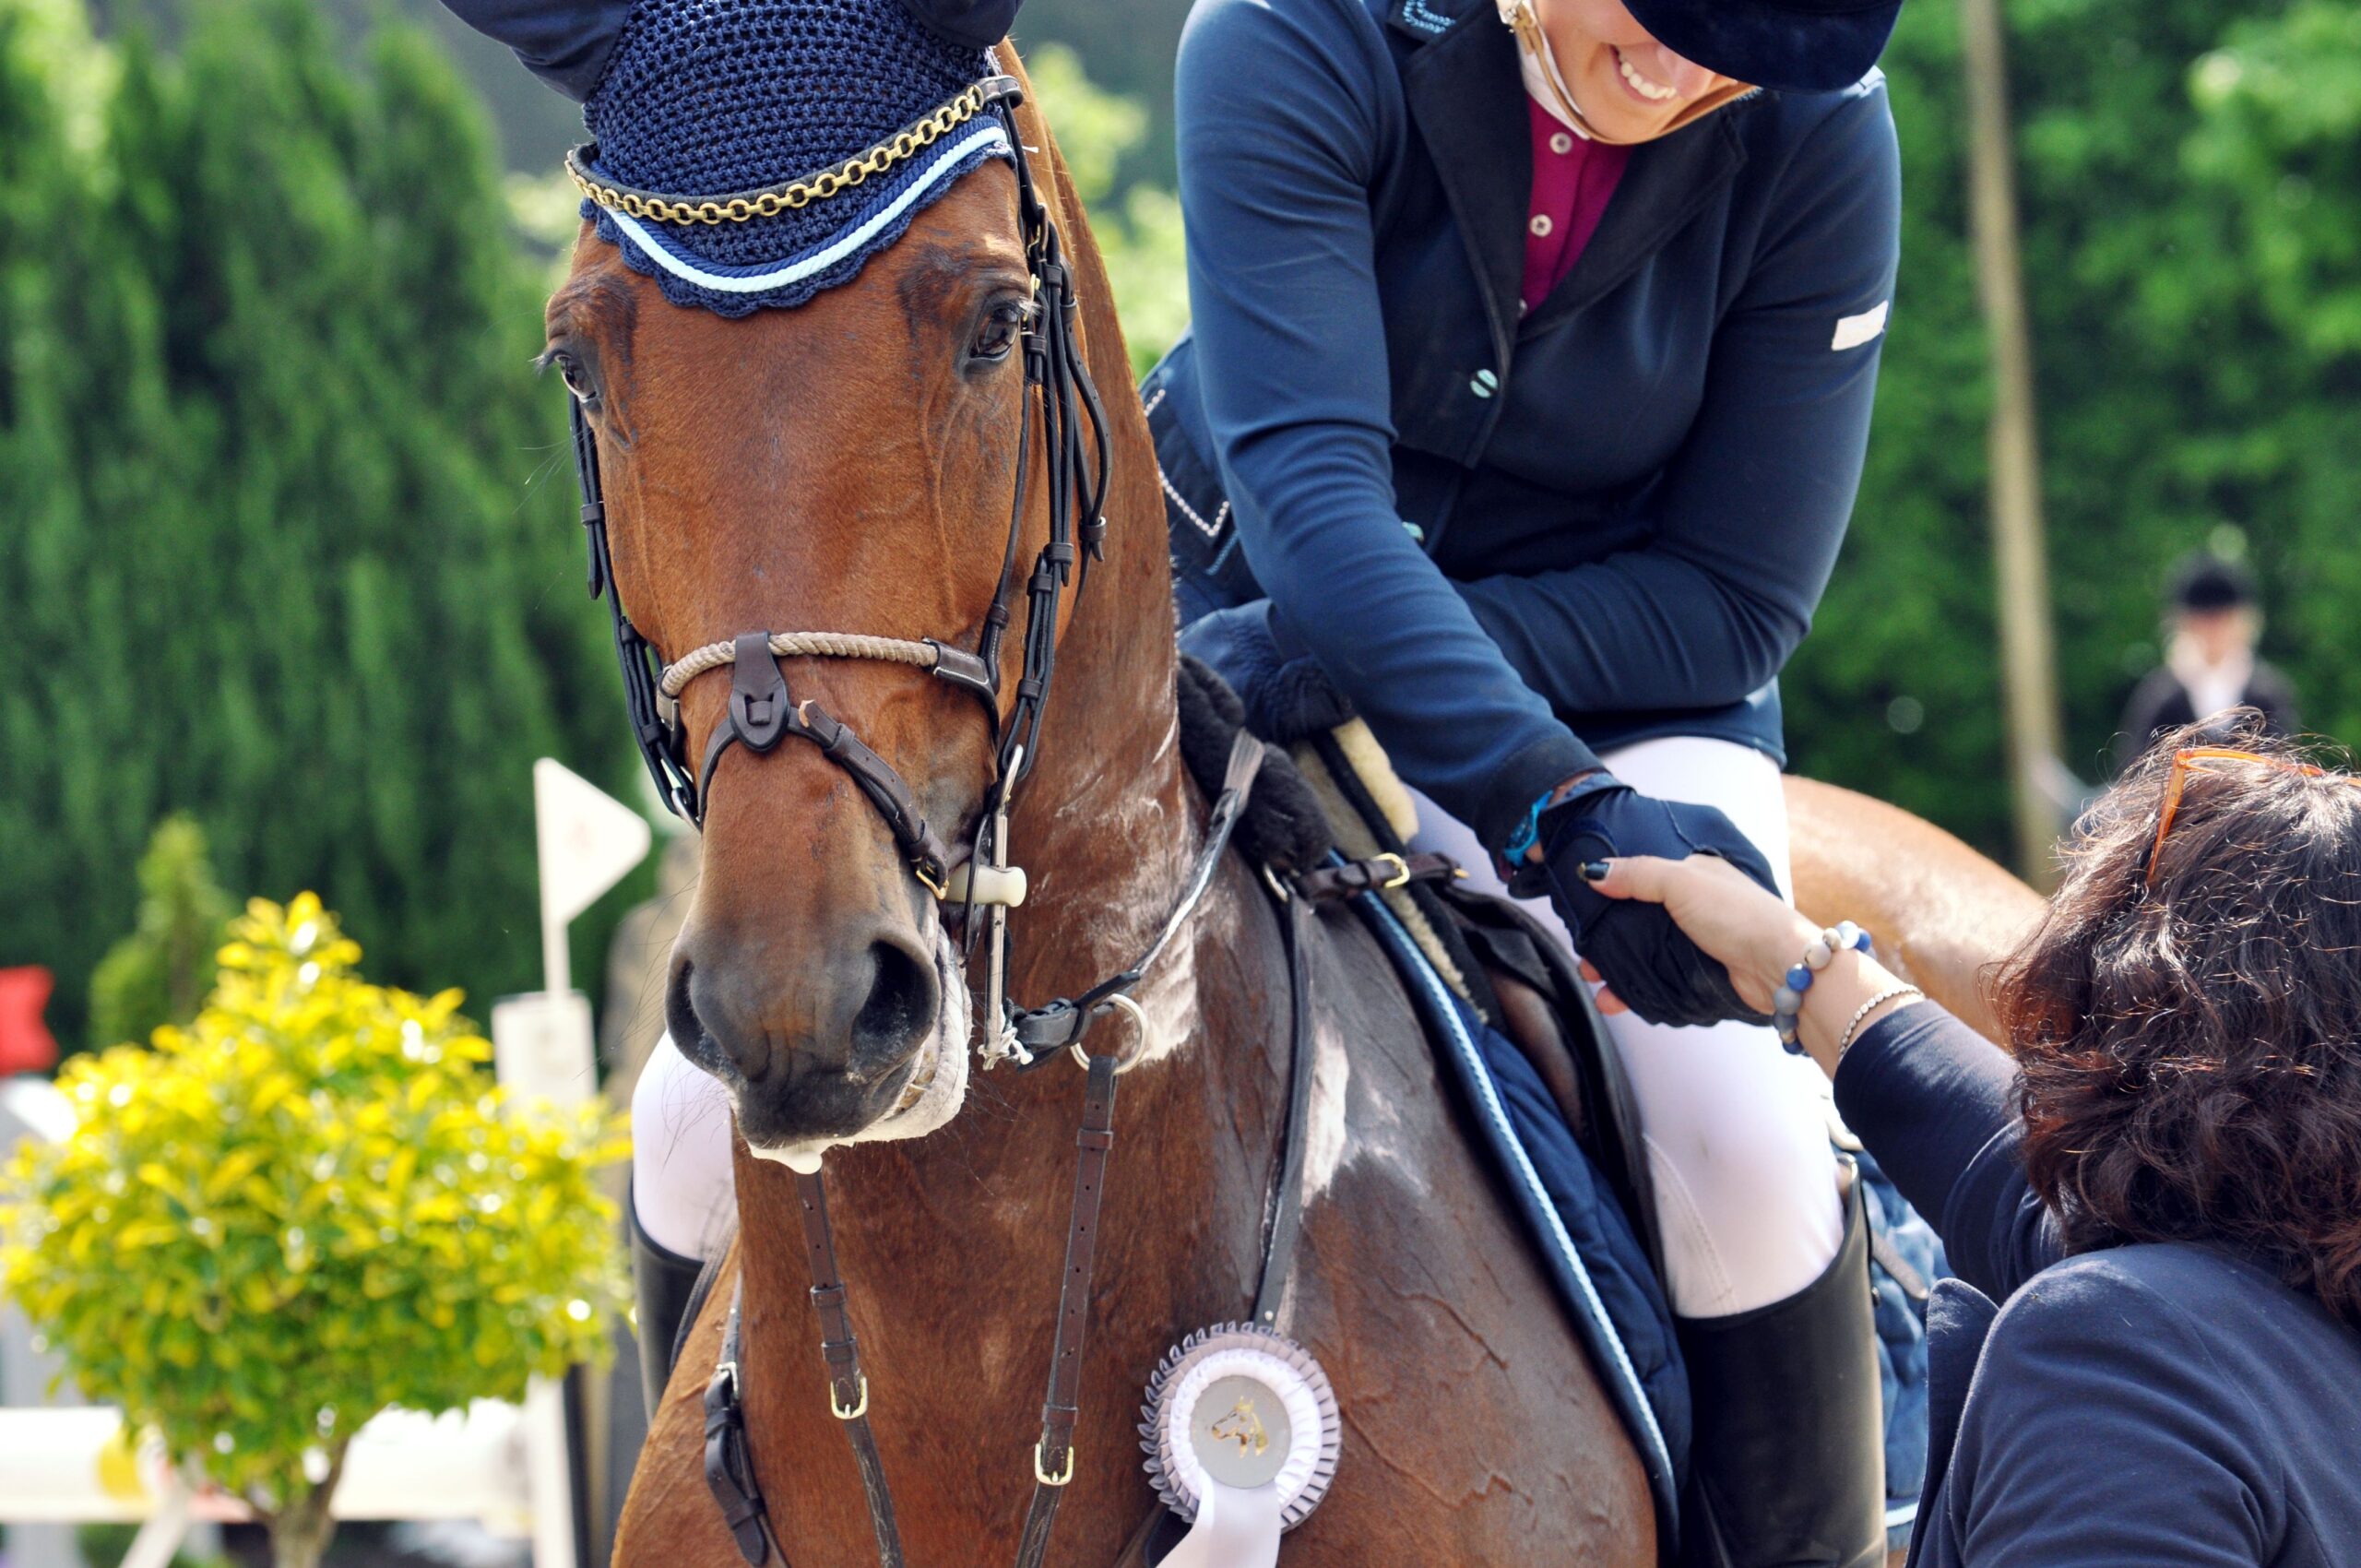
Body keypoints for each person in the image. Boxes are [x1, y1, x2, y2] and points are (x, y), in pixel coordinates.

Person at [1145, 0, 1903, 1556]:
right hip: (1215, 641)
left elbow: (1738, 592)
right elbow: (1313, 491)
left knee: (1744, 1143)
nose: (1690, 67)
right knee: (697, 1115)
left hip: (1619, 689)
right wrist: (1536, 795)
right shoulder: (1291, 34)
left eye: (1742, 47)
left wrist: (1515, 758)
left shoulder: (1821, 126)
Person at [1576, 722, 2361, 1566]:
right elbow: (1997, 1166)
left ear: (2134, 1009)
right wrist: (1793, 961)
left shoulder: (2119, 1350)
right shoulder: (2293, 1306)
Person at [2117, 552, 2297, 773]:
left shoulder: (2268, 693)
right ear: (2185, 623)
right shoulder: (2160, 696)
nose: (2214, 630)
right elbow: (2135, 769)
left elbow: (2282, 767)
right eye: (2204, 619)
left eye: (2223, 618)